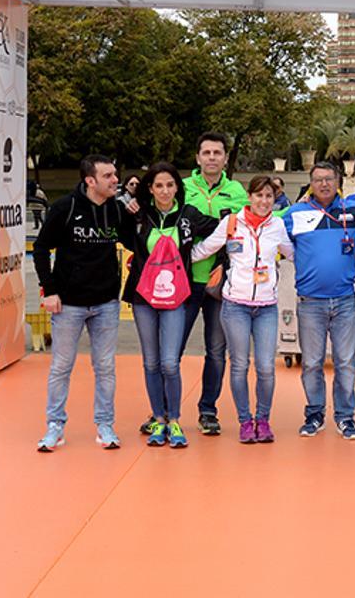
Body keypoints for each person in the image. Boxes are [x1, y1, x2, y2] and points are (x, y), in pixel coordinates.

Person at [31, 155, 136, 452]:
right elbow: (40, 248)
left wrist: (135, 215)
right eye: (108, 176)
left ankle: (105, 425)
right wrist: (48, 289)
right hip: (69, 304)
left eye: (115, 174)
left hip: (105, 303)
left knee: (105, 367)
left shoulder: (117, 210)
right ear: (90, 181)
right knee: (61, 366)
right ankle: (54, 426)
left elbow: (132, 244)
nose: (115, 180)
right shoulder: (66, 207)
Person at [124, 162, 219, 448]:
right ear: (150, 189)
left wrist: (201, 256)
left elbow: (221, 229)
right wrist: (128, 212)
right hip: (143, 297)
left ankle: (175, 420)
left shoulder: (188, 216)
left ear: (178, 187)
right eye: (158, 185)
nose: (164, 191)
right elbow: (121, 236)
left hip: (177, 296)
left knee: (168, 362)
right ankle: (159, 419)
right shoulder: (139, 215)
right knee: (151, 362)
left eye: (169, 185)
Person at [192, 176, 294, 444]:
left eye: (269, 196)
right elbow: (206, 248)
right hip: (235, 306)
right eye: (259, 195)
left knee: (266, 368)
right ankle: (245, 421)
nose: (263, 201)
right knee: (239, 365)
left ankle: (263, 419)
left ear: (275, 199)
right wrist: (172, 257)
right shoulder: (231, 223)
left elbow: (292, 252)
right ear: (249, 197)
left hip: (266, 308)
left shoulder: (278, 225)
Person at [283, 162, 355, 440]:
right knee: (312, 363)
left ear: (338, 180)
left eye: (329, 179)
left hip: (344, 302)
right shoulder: (295, 213)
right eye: (318, 180)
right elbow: (268, 225)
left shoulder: (353, 212)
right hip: (310, 303)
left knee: (345, 362)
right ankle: (314, 414)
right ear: (310, 183)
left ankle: (345, 417)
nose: (324, 184)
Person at [177, 132, 249, 437]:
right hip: (183, 281)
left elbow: (253, 221)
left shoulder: (236, 191)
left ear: (224, 158)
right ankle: (165, 413)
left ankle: (208, 410)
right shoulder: (181, 187)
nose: (211, 158)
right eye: (206, 152)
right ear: (197, 158)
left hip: (221, 284)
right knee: (172, 351)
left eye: (217, 153)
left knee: (217, 351)